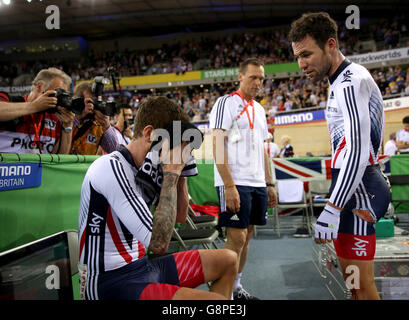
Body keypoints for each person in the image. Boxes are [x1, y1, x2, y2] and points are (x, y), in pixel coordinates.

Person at [78, 96, 237, 300]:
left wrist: (181, 174)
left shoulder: (150, 164)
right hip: (110, 282)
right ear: (149, 134)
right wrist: (171, 173)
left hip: (144, 266)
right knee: (217, 303)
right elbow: (158, 244)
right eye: (173, 144)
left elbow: (180, 217)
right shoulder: (110, 167)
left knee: (229, 260)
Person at [289, 12, 390, 300]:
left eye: (307, 54)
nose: (301, 64)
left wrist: (332, 208)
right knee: (354, 287)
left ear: (330, 45)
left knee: (361, 287)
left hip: (360, 191)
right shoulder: (340, 82)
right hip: (352, 190)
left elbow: (358, 150)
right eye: (297, 56)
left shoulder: (349, 81)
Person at [209, 58, 278, 300]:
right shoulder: (225, 103)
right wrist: (229, 185)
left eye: (261, 78)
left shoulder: (259, 109)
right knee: (235, 237)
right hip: (235, 181)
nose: (258, 83)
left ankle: (235, 287)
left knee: (247, 235)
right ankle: (221, 294)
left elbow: (262, 148)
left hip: (257, 182)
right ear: (240, 77)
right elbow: (216, 144)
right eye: (253, 77)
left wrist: (268, 183)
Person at [0, 67, 75, 154]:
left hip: (39, 167)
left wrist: (67, 126)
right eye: (57, 93)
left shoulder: (55, 117)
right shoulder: (11, 100)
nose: (59, 99)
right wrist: (34, 106)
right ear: (39, 87)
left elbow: (60, 158)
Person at [70, 82, 120, 155]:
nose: (93, 106)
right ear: (78, 102)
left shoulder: (98, 125)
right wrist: (78, 117)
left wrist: (106, 125)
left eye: (96, 102)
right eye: (89, 102)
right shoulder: (67, 117)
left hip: (88, 165)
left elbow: (114, 150)